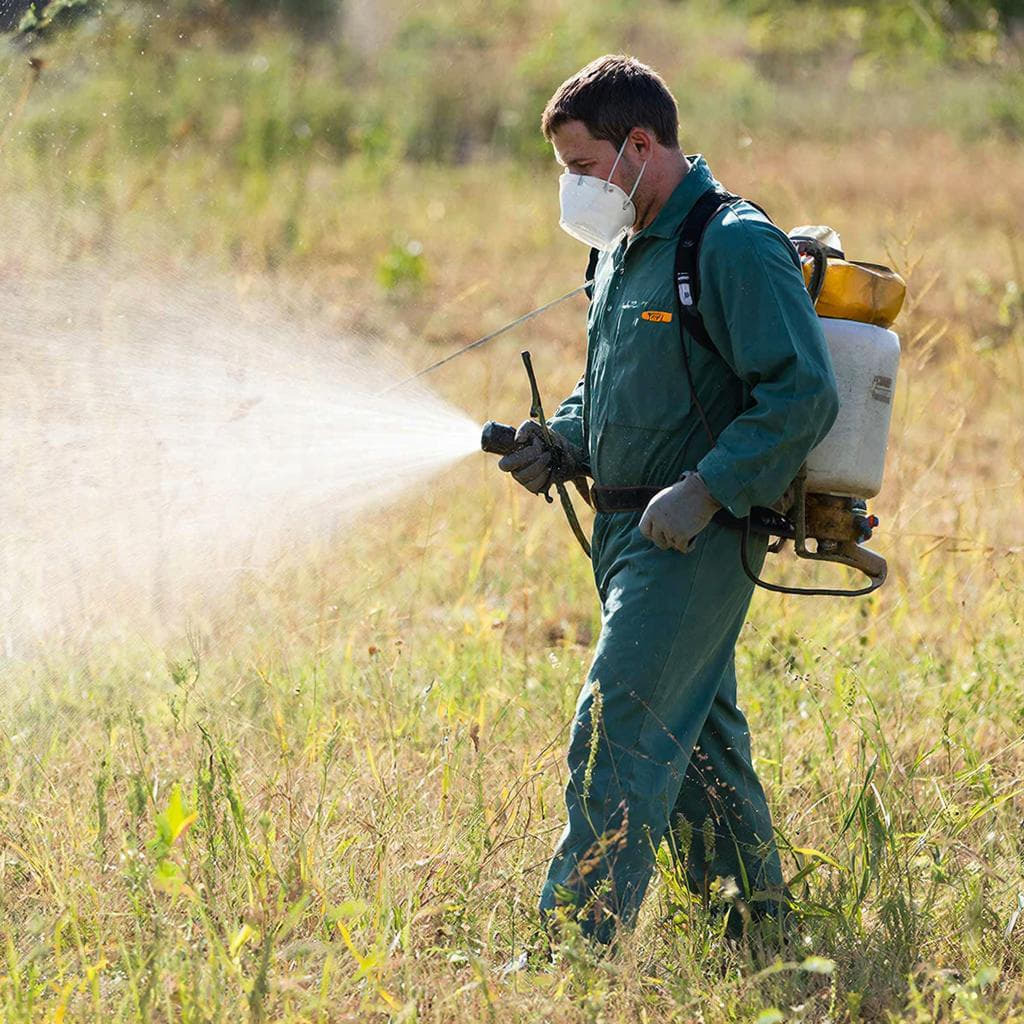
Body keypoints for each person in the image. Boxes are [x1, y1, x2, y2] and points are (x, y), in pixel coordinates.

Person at [498, 54, 840, 947]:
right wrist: (560, 437)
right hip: (624, 533)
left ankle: (569, 954)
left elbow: (801, 393)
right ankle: (756, 941)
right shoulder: (619, 251)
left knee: (617, 733)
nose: (572, 189)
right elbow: (613, 385)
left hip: (692, 539)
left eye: (581, 167)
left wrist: (708, 490)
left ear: (638, 144)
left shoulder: (729, 242)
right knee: (703, 759)